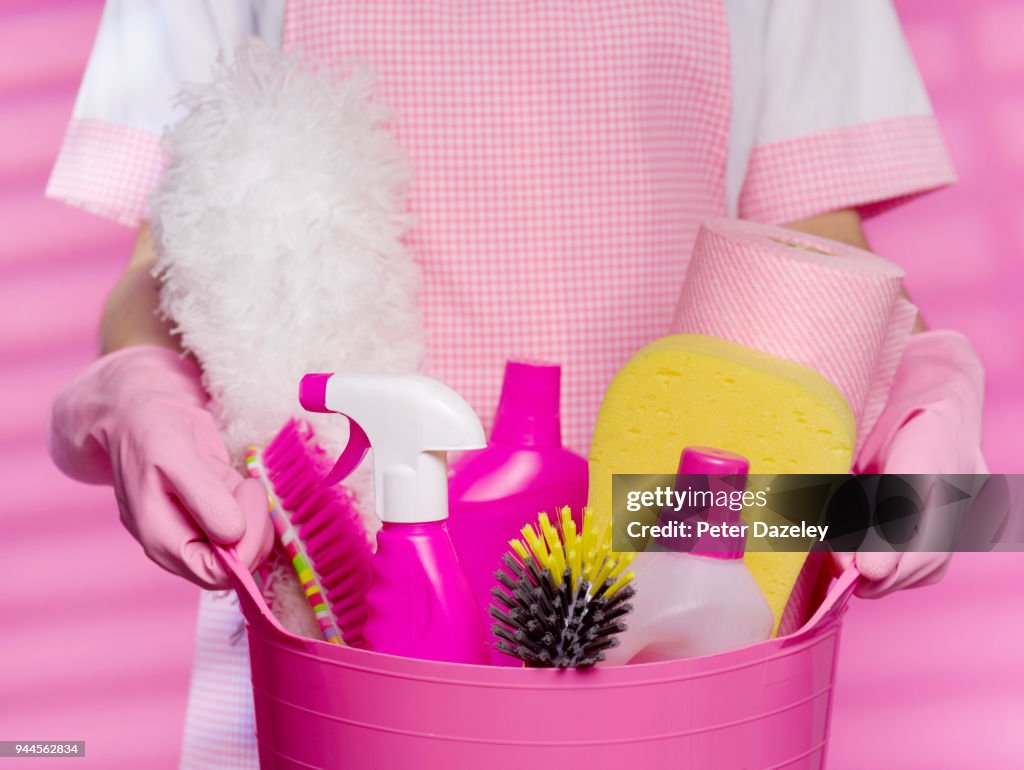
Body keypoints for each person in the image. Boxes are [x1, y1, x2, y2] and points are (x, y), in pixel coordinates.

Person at [46, 1, 986, 767]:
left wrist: (920, 440)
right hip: (328, 637)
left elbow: (821, 278)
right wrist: (141, 391)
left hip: (685, 670)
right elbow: (166, 267)